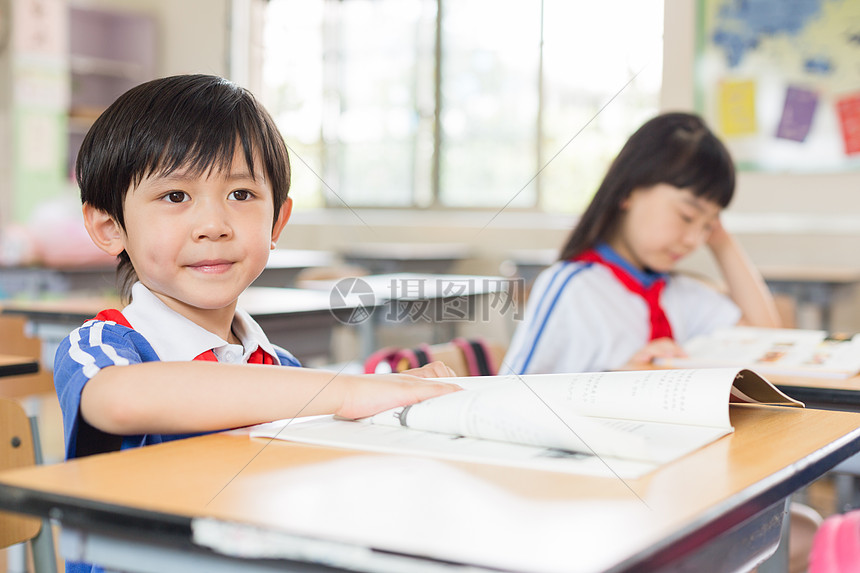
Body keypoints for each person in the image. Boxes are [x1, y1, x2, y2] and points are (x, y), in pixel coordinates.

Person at [54, 74, 459, 470]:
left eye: (240, 194)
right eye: (175, 196)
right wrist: (349, 389)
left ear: (276, 223)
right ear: (110, 228)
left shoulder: (279, 366)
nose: (213, 225)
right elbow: (121, 400)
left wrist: (389, 394)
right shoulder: (102, 346)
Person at [502, 112, 781, 375]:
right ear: (628, 191)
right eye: (687, 216)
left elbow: (765, 341)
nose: (693, 241)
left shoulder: (676, 293)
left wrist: (723, 243)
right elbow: (506, 402)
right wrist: (622, 379)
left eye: (708, 226)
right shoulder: (572, 287)